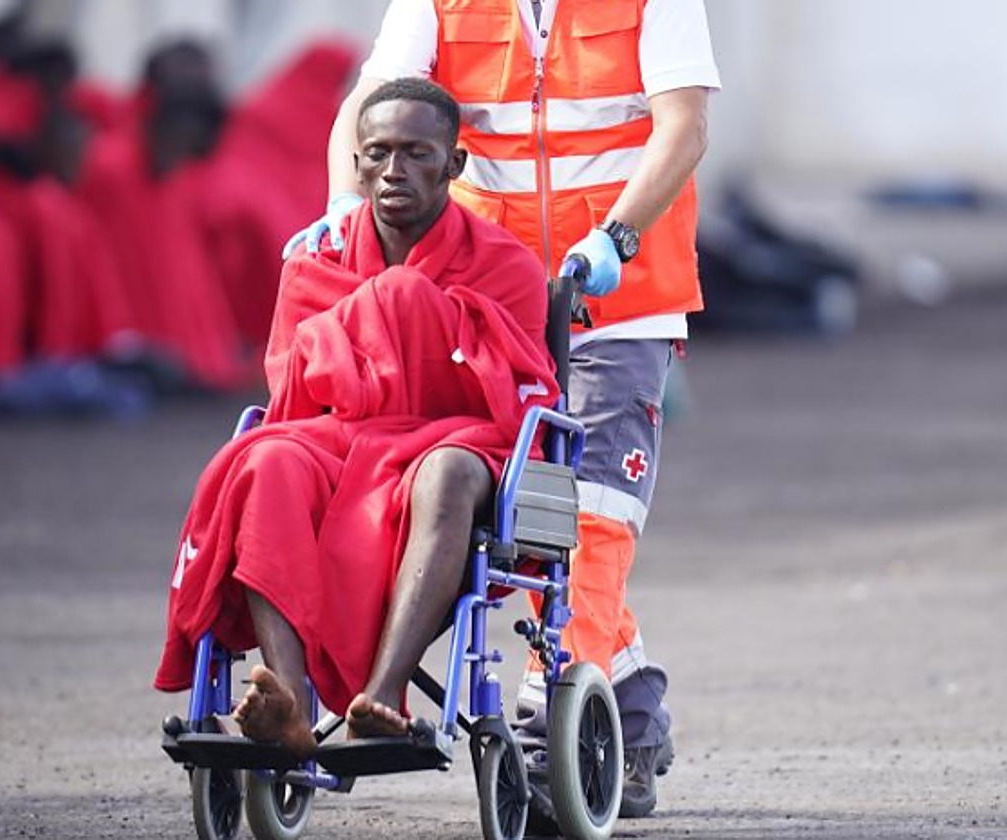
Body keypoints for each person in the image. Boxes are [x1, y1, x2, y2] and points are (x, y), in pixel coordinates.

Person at [284, 0, 719, 817]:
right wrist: (347, 208)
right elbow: (371, 100)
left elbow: (684, 126)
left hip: (619, 296)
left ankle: (543, 712)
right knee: (520, 511)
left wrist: (616, 241)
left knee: (591, 513)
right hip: (486, 299)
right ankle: (625, 713)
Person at [154, 78, 558, 755]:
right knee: (267, 459)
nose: (394, 171)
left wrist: (394, 306)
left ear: (454, 165)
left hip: (457, 443)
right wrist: (400, 319)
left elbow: (516, 402)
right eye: (376, 153)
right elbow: (293, 392)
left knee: (449, 474)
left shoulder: (507, 266)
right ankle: (283, 699)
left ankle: (382, 692)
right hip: (341, 439)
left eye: (417, 154)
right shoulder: (314, 262)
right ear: (357, 164)